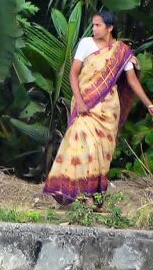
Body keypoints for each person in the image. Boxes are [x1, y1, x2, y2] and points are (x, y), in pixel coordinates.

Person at [43, 11, 153, 206]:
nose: (93, 29)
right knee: (80, 144)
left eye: (98, 25)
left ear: (109, 28)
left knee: (100, 153)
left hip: (108, 110)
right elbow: (73, 74)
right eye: (93, 25)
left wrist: (149, 104)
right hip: (85, 104)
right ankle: (70, 190)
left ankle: (93, 197)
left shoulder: (121, 51)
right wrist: (80, 100)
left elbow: (132, 81)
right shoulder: (85, 44)